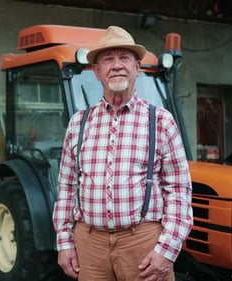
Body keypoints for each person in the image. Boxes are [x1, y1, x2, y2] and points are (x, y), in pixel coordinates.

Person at [52, 25, 193, 281]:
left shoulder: (160, 120)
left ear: (137, 67)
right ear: (97, 71)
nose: (116, 65)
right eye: (108, 59)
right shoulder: (78, 123)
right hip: (90, 244)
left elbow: (179, 189)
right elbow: (66, 188)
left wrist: (167, 251)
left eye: (124, 58)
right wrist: (64, 243)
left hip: (142, 241)